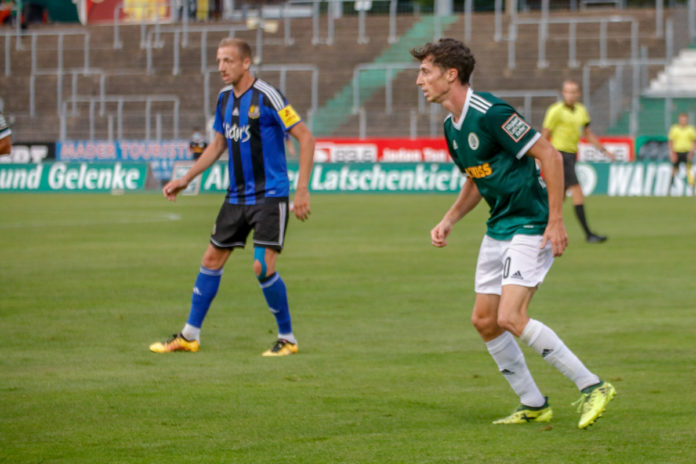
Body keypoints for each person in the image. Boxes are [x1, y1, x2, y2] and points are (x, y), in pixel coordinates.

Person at [411, 38, 615, 429]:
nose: (419, 80)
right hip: (499, 226)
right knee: (485, 320)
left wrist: (556, 220)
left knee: (511, 315)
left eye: (425, 72)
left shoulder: (491, 112)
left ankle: (593, 385)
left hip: (531, 223)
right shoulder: (451, 127)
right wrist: (450, 218)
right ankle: (533, 403)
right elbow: (476, 178)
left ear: (450, 75)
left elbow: (550, 155)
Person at [150, 38, 315, 357]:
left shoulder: (268, 96)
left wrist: (302, 189)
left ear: (246, 63)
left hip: (270, 195)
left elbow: (305, 137)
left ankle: (288, 338)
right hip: (236, 197)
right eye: (218, 60)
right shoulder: (224, 99)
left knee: (262, 267)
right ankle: (189, 335)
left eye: (227, 60)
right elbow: (217, 145)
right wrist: (185, 178)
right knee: (211, 259)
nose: (221, 67)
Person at [542, 80, 612, 243]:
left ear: (578, 93)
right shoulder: (555, 111)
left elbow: (587, 134)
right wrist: (540, 158)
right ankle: (588, 234)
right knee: (577, 193)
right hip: (559, 156)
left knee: (558, 200)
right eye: (567, 91)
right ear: (562, 93)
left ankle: (540, 229)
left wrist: (604, 150)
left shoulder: (582, 111)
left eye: (574, 92)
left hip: (571, 156)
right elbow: (545, 135)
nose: (571, 95)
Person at [667, 112, 696, 193]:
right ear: (679, 120)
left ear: (687, 120)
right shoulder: (674, 128)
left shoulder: (691, 129)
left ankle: (692, 188)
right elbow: (671, 141)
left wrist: (691, 152)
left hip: (687, 152)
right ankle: (670, 188)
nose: (683, 121)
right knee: (674, 169)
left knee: (689, 170)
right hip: (677, 152)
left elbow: (693, 142)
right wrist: (672, 153)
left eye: (684, 120)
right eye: (681, 120)